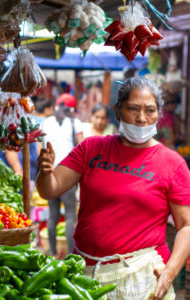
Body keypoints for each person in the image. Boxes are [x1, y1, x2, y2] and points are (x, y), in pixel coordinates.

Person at [36, 77, 190, 300]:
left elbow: (186, 225)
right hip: (85, 273)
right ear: (117, 111)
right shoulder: (91, 148)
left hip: (142, 278)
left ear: (159, 113)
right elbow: (50, 189)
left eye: (150, 110)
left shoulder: (173, 164)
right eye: (133, 109)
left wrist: (170, 272)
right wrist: (45, 171)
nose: (141, 118)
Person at [40, 93, 84, 257]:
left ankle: (51, 253)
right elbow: (82, 147)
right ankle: (71, 255)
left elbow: (40, 150)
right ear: (71, 109)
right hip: (68, 174)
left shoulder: (45, 123)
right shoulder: (75, 122)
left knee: (53, 214)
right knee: (71, 214)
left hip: (50, 173)